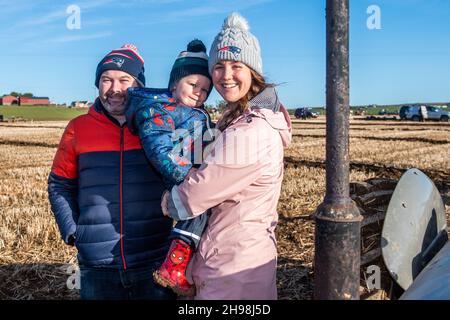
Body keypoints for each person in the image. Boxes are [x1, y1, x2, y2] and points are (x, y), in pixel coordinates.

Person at [161, 12, 292, 299]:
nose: (226, 75)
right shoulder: (236, 120)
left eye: (236, 65)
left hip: (233, 269)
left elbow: (195, 195)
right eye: (218, 67)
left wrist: (168, 201)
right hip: (231, 259)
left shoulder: (251, 130)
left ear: (253, 70)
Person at [48, 44, 176, 300]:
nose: (115, 89)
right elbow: (59, 185)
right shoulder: (78, 128)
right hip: (97, 265)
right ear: (97, 85)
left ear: (139, 84)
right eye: (106, 80)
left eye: (124, 80)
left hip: (154, 260)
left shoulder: (160, 127)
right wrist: (74, 231)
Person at [124, 39, 214, 296]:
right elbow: (160, 150)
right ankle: (175, 264)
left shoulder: (192, 111)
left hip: (197, 172)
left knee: (202, 214)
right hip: (182, 174)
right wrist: (190, 176)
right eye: (193, 84)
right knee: (197, 211)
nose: (199, 92)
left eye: (205, 90)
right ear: (175, 83)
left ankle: (183, 265)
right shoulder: (159, 109)